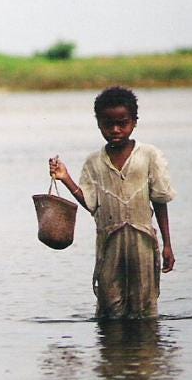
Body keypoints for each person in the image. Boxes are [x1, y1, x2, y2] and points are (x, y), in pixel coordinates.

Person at [48, 86, 176, 319]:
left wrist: (167, 244)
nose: (115, 130)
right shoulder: (94, 163)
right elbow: (91, 204)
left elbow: (159, 201)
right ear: (99, 124)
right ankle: (112, 352)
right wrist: (64, 177)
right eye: (108, 124)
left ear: (134, 122)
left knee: (144, 307)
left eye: (122, 123)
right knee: (110, 307)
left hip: (143, 240)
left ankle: (143, 354)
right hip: (109, 242)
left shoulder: (149, 156)